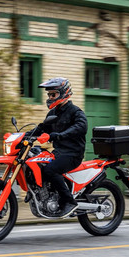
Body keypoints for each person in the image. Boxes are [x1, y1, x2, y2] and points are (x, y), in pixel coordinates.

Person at [37, 77, 88, 218]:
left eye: (53, 94)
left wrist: (58, 135)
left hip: (73, 154)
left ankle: (69, 201)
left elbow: (81, 126)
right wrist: (22, 136)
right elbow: (42, 128)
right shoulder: (53, 113)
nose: (50, 97)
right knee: (39, 165)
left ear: (63, 93)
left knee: (50, 170)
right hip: (59, 152)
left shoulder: (75, 112)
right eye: (49, 95)